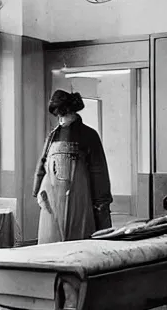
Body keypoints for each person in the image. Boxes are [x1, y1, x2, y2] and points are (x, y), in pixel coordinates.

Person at [33, 89, 113, 244]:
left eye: (64, 115)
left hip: (79, 198)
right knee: (51, 240)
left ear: (72, 112)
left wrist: (101, 202)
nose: (61, 119)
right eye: (59, 116)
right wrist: (38, 191)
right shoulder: (52, 136)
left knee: (77, 237)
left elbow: (98, 170)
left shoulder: (89, 135)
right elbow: (43, 163)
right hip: (52, 199)